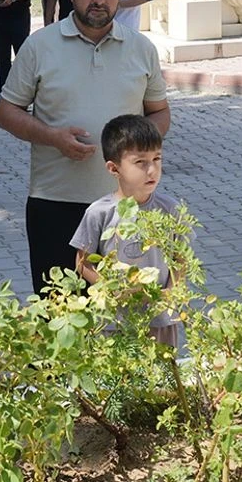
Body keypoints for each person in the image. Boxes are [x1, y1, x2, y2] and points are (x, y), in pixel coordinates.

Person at [0, 0, 170, 295]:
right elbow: (6, 112)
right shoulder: (39, 46)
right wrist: (52, 137)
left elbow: (160, 113)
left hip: (126, 206)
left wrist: (137, 152)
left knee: (124, 317)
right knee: (59, 318)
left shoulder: (141, 48)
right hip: (55, 205)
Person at [71, 114, 184, 347]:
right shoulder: (99, 212)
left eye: (157, 158)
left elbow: (181, 259)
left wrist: (170, 294)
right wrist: (110, 289)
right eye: (140, 162)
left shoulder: (171, 209)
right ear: (114, 168)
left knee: (162, 378)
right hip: (115, 322)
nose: (151, 169)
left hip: (160, 319)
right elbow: (82, 262)